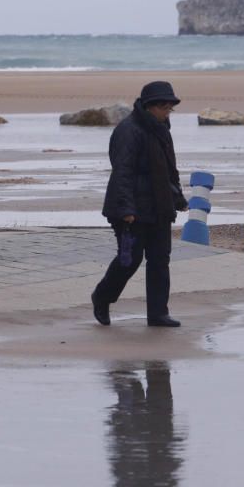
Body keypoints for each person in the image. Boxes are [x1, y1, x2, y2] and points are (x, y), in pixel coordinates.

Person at [92, 81, 188, 327]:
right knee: (129, 260)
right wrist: (126, 209)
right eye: (164, 107)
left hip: (159, 207)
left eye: (170, 108)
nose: (168, 112)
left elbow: (169, 169)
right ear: (150, 107)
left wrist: (177, 197)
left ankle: (158, 314)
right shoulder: (128, 130)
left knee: (159, 260)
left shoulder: (161, 128)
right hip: (130, 209)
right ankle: (102, 296)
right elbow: (122, 171)